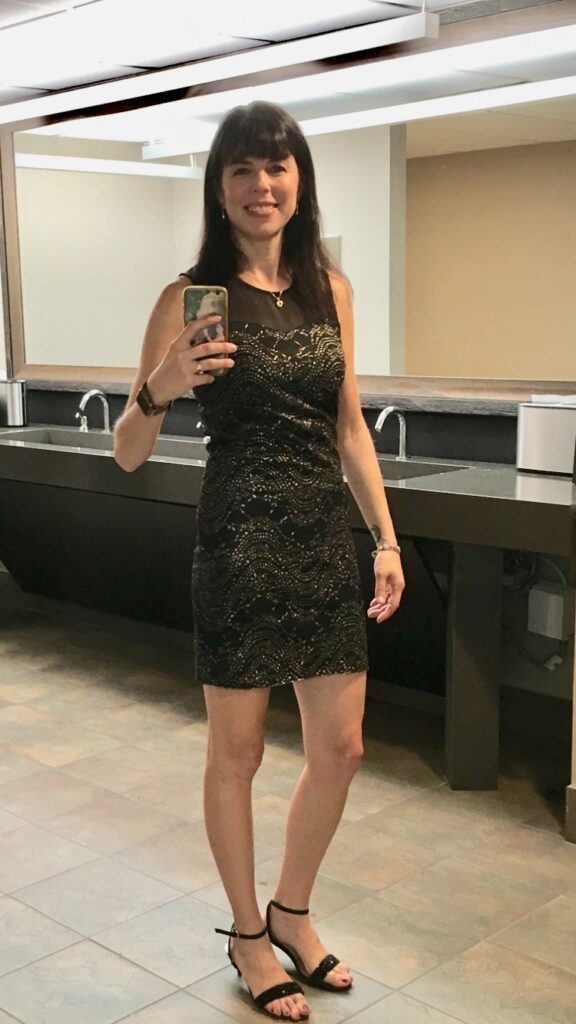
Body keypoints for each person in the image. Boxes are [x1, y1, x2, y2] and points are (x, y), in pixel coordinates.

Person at [114, 101, 404, 1021]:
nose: (261, 185)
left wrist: (385, 538)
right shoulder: (189, 297)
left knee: (342, 749)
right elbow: (127, 452)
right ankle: (247, 933)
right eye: (241, 168)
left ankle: (292, 911)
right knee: (237, 753)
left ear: (299, 180)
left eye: (276, 166)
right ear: (219, 186)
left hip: (321, 540)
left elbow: (349, 427)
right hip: (238, 541)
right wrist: (160, 386)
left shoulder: (331, 290)